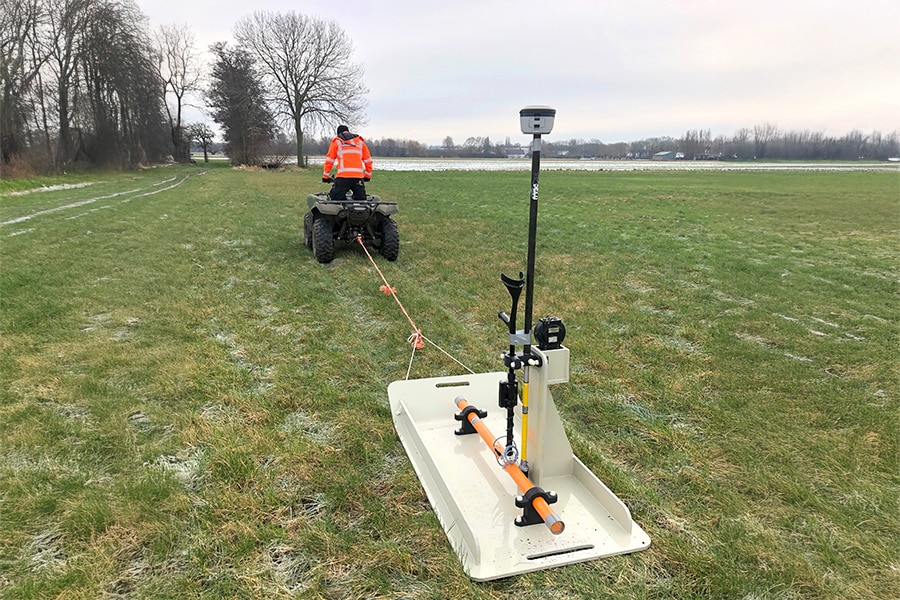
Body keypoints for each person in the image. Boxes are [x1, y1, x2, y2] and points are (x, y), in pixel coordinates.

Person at [322, 125, 373, 201]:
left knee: (335, 200)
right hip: (358, 178)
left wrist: (325, 177)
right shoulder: (360, 142)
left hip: (343, 177)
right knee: (361, 201)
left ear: (338, 133)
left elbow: (329, 161)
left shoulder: (337, 141)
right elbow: (368, 161)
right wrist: (367, 176)